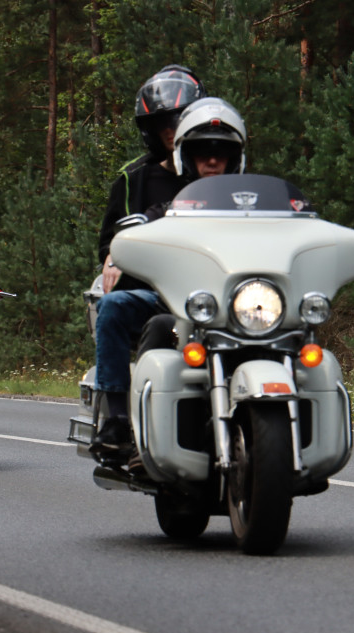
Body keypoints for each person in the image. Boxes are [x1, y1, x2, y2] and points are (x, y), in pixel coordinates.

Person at [91, 97, 247, 461]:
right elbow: (126, 234)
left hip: (240, 307)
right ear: (186, 157)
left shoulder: (254, 206)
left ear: (235, 158)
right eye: (202, 152)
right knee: (116, 307)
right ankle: (117, 421)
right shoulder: (173, 206)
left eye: (221, 153)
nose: (212, 160)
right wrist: (120, 249)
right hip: (174, 302)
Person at [98, 64, 207, 295]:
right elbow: (109, 241)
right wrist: (113, 254)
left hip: (211, 281)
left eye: (176, 120)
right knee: (112, 305)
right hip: (148, 285)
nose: (169, 129)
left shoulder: (216, 169)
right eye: (161, 123)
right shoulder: (133, 179)